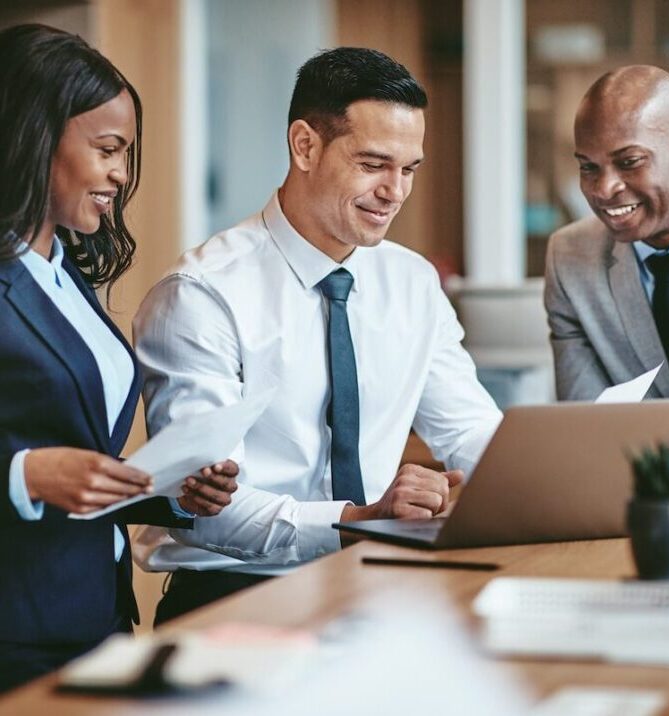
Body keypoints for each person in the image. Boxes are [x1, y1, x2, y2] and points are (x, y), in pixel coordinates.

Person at [133, 47, 502, 624]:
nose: (395, 192)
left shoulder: (411, 282)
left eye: (409, 169)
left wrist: (539, 483)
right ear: (305, 145)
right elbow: (207, 509)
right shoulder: (202, 294)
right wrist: (362, 518)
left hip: (380, 590)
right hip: (235, 602)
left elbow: (470, 429)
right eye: (374, 163)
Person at [0, 24, 238, 692]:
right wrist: (23, 476)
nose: (121, 175)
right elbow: (38, 465)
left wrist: (168, 490)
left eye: (126, 153)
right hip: (16, 633)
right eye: (107, 149)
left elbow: (76, 452)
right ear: (34, 136)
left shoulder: (62, 272)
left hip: (97, 616)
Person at [544, 65, 669, 401]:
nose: (604, 189)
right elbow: (587, 420)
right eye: (588, 167)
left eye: (630, 161)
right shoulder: (569, 259)